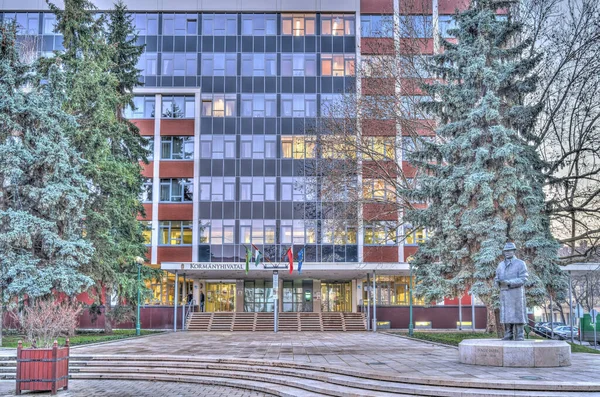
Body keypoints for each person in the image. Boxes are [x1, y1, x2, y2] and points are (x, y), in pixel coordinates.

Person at [494, 242, 529, 341]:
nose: (507, 253)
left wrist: (509, 282)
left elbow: (524, 278)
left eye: (509, 250)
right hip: (504, 292)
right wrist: (497, 282)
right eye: (506, 251)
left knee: (518, 314)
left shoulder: (520, 263)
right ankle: (508, 334)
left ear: (514, 251)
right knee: (506, 314)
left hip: (516, 293)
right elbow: (497, 277)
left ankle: (520, 334)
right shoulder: (500, 265)